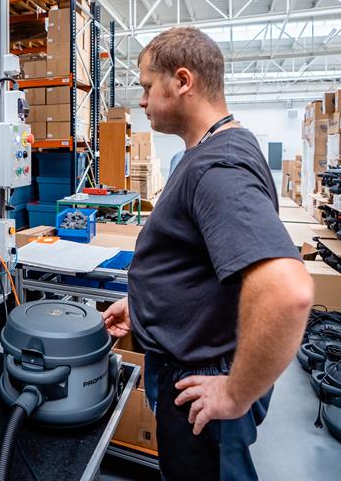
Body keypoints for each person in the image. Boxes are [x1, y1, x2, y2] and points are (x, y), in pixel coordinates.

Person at [102, 27, 313, 480]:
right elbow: (201, 269)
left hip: (201, 387)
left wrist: (235, 394)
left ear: (182, 81)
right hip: (193, 365)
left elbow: (288, 292)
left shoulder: (219, 167)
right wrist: (143, 309)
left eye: (145, 86)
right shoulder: (217, 148)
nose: (140, 100)